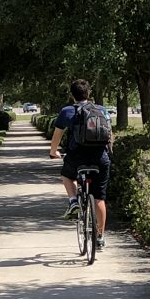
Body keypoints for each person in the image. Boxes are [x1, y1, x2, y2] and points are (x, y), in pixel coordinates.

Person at [49, 79, 113, 248]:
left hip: (77, 158)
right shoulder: (102, 110)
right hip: (100, 158)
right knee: (99, 198)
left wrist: (53, 152)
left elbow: (57, 136)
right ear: (88, 93)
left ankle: (73, 202)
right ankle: (100, 237)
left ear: (72, 95)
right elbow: (109, 135)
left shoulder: (67, 111)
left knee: (66, 175)